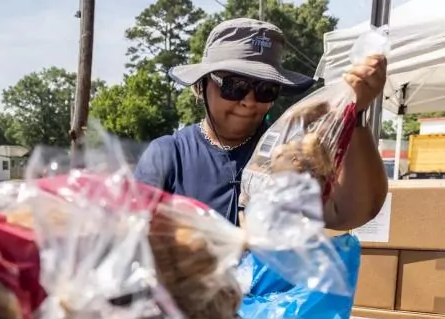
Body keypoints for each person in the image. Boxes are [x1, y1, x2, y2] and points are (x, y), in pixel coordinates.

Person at [134, 18, 388, 230]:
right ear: (201, 86)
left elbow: (352, 214)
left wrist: (355, 111)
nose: (249, 101)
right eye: (235, 86)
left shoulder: (291, 155)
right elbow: (135, 237)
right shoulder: (169, 154)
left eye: (265, 89)